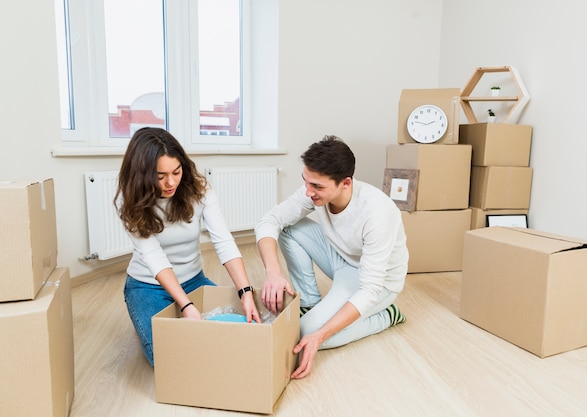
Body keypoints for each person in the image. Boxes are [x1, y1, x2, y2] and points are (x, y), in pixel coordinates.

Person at [254, 135, 408, 379]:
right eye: (306, 181)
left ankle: (385, 316)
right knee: (287, 227)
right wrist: (273, 272)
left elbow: (369, 290)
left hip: (377, 283)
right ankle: (311, 303)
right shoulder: (313, 190)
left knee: (306, 335)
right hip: (341, 257)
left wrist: (319, 335)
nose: (308, 192)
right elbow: (269, 221)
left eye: (317, 187)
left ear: (346, 183)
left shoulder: (377, 213)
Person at [115, 127, 261, 366]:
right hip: (146, 286)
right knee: (170, 359)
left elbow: (223, 240)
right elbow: (154, 256)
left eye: (176, 171)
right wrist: (186, 306)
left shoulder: (199, 190)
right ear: (142, 174)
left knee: (243, 332)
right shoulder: (128, 199)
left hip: (194, 281)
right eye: (160, 176)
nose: (170, 182)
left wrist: (245, 292)